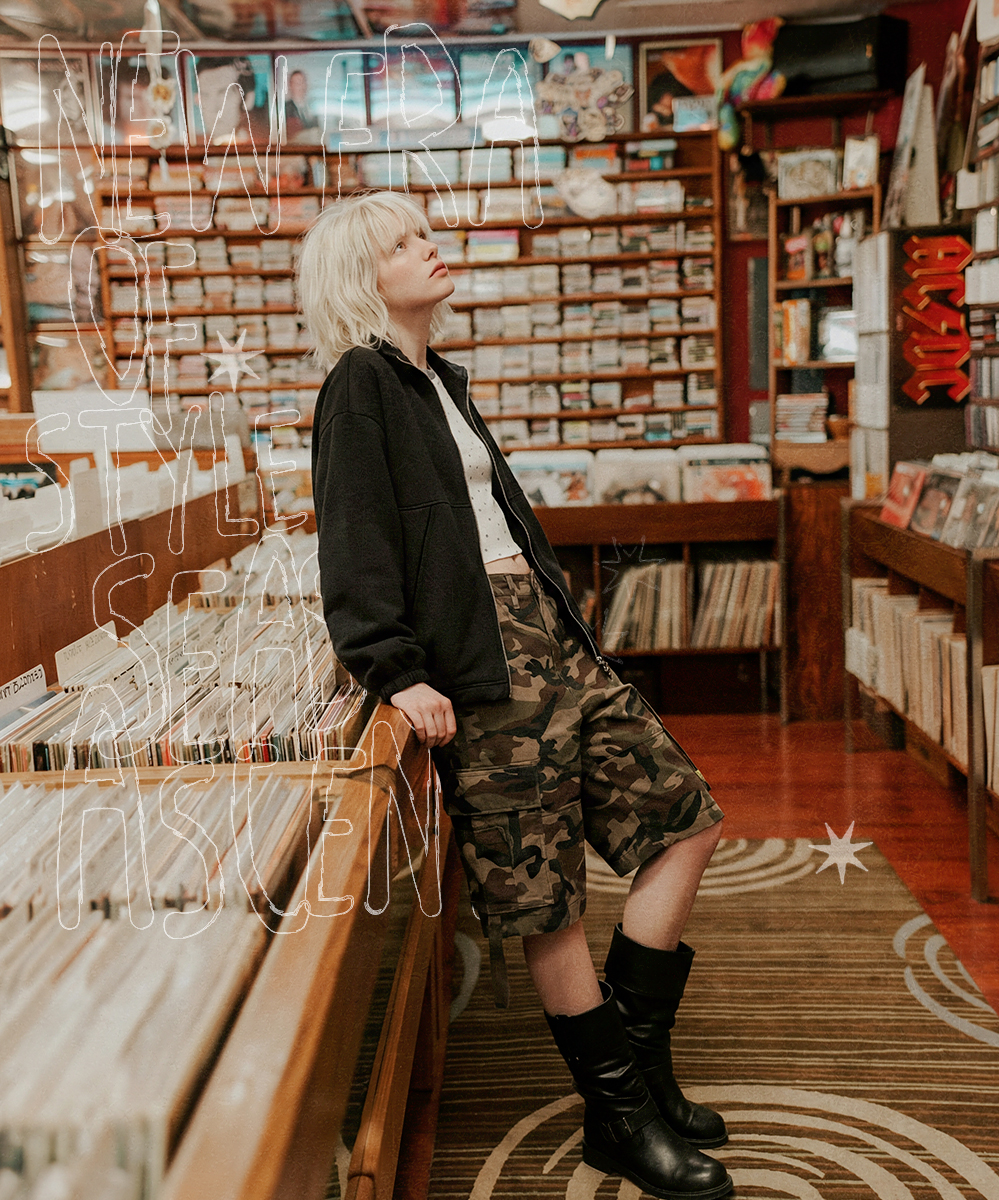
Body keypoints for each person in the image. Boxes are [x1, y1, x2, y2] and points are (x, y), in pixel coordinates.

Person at [299, 190, 732, 1200]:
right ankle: (617, 1114)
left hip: (549, 636)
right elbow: (353, 543)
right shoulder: (358, 384)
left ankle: (636, 1062)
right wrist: (396, 669)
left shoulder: (435, 379)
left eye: (425, 232)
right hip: (478, 659)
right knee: (544, 894)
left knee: (686, 819)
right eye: (404, 242)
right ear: (364, 278)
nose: (431, 247)